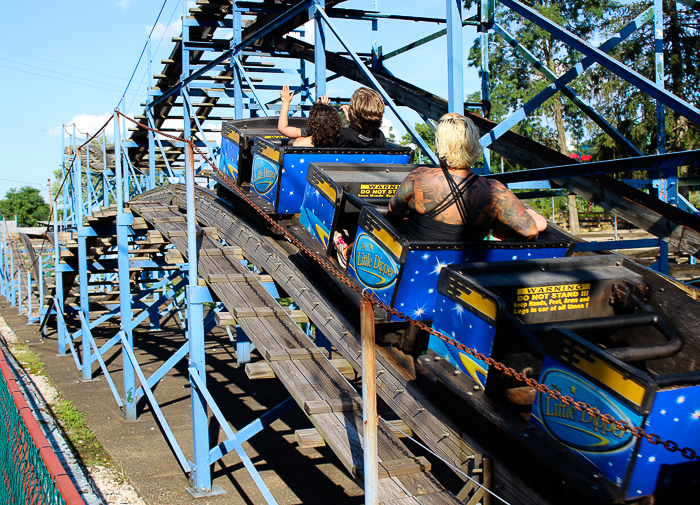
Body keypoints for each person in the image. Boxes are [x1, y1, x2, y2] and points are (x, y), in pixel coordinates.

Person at [387, 112, 547, 242]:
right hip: (460, 272)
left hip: (414, 265)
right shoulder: (495, 191)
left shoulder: (419, 177)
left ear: (440, 144)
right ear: (473, 144)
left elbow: (393, 211)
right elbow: (530, 232)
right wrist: (533, 215)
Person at [277, 84, 342, 147]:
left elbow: (283, 128)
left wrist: (286, 102)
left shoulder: (306, 139)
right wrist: (324, 108)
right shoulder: (342, 138)